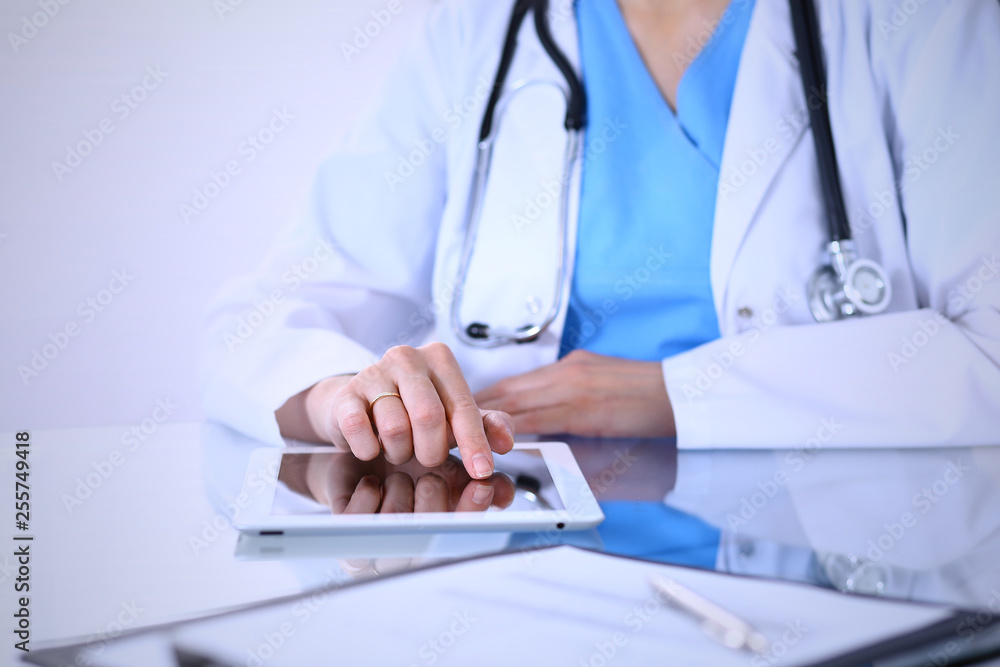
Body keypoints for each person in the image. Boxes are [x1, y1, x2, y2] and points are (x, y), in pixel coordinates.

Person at [202, 0, 1000, 482]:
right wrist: (341, 395)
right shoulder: (479, 33)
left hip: (835, 570)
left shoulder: (911, 20)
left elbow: (988, 353)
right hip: (519, 569)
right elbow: (263, 316)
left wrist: (674, 394)